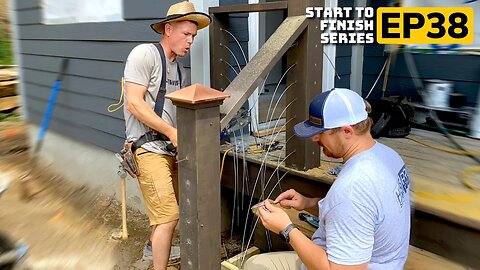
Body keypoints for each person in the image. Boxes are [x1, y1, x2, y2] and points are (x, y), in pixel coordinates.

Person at [245, 88, 411, 270]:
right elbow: (364, 215)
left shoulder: (352, 189)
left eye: (321, 132)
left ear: (347, 131)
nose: (314, 138)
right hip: (384, 263)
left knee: (255, 265)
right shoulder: (388, 157)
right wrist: (308, 203)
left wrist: (287, 229)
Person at [123, 2, 211, 269]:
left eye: (194, 36)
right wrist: (172, 132)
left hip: (168, 148)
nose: (190, 41)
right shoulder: (144, 55)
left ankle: (153, 254)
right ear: (168, 29)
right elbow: (134, 103)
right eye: (186, 34)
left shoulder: (179, 70)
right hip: (147, 147)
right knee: (167, 217)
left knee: (169, 213)